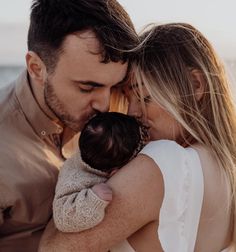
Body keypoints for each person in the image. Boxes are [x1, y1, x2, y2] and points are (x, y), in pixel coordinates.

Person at [39, 23, 236, 252]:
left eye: (145, 98)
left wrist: (80, 170)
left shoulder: (161, 162)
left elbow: (52, 248)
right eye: (127, 97)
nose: (132, 112)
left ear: (195, 84)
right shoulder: (225, 165)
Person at [0, 0, 138, 251]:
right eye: (87, 87)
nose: (105, 105)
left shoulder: (123, 103)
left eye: (115, 86)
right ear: (37, 68)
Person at [53, 112, 148, 233]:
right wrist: (93, 199)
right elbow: (62, 219)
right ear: (115, 172)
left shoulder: (91, 150)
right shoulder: (75, 180)